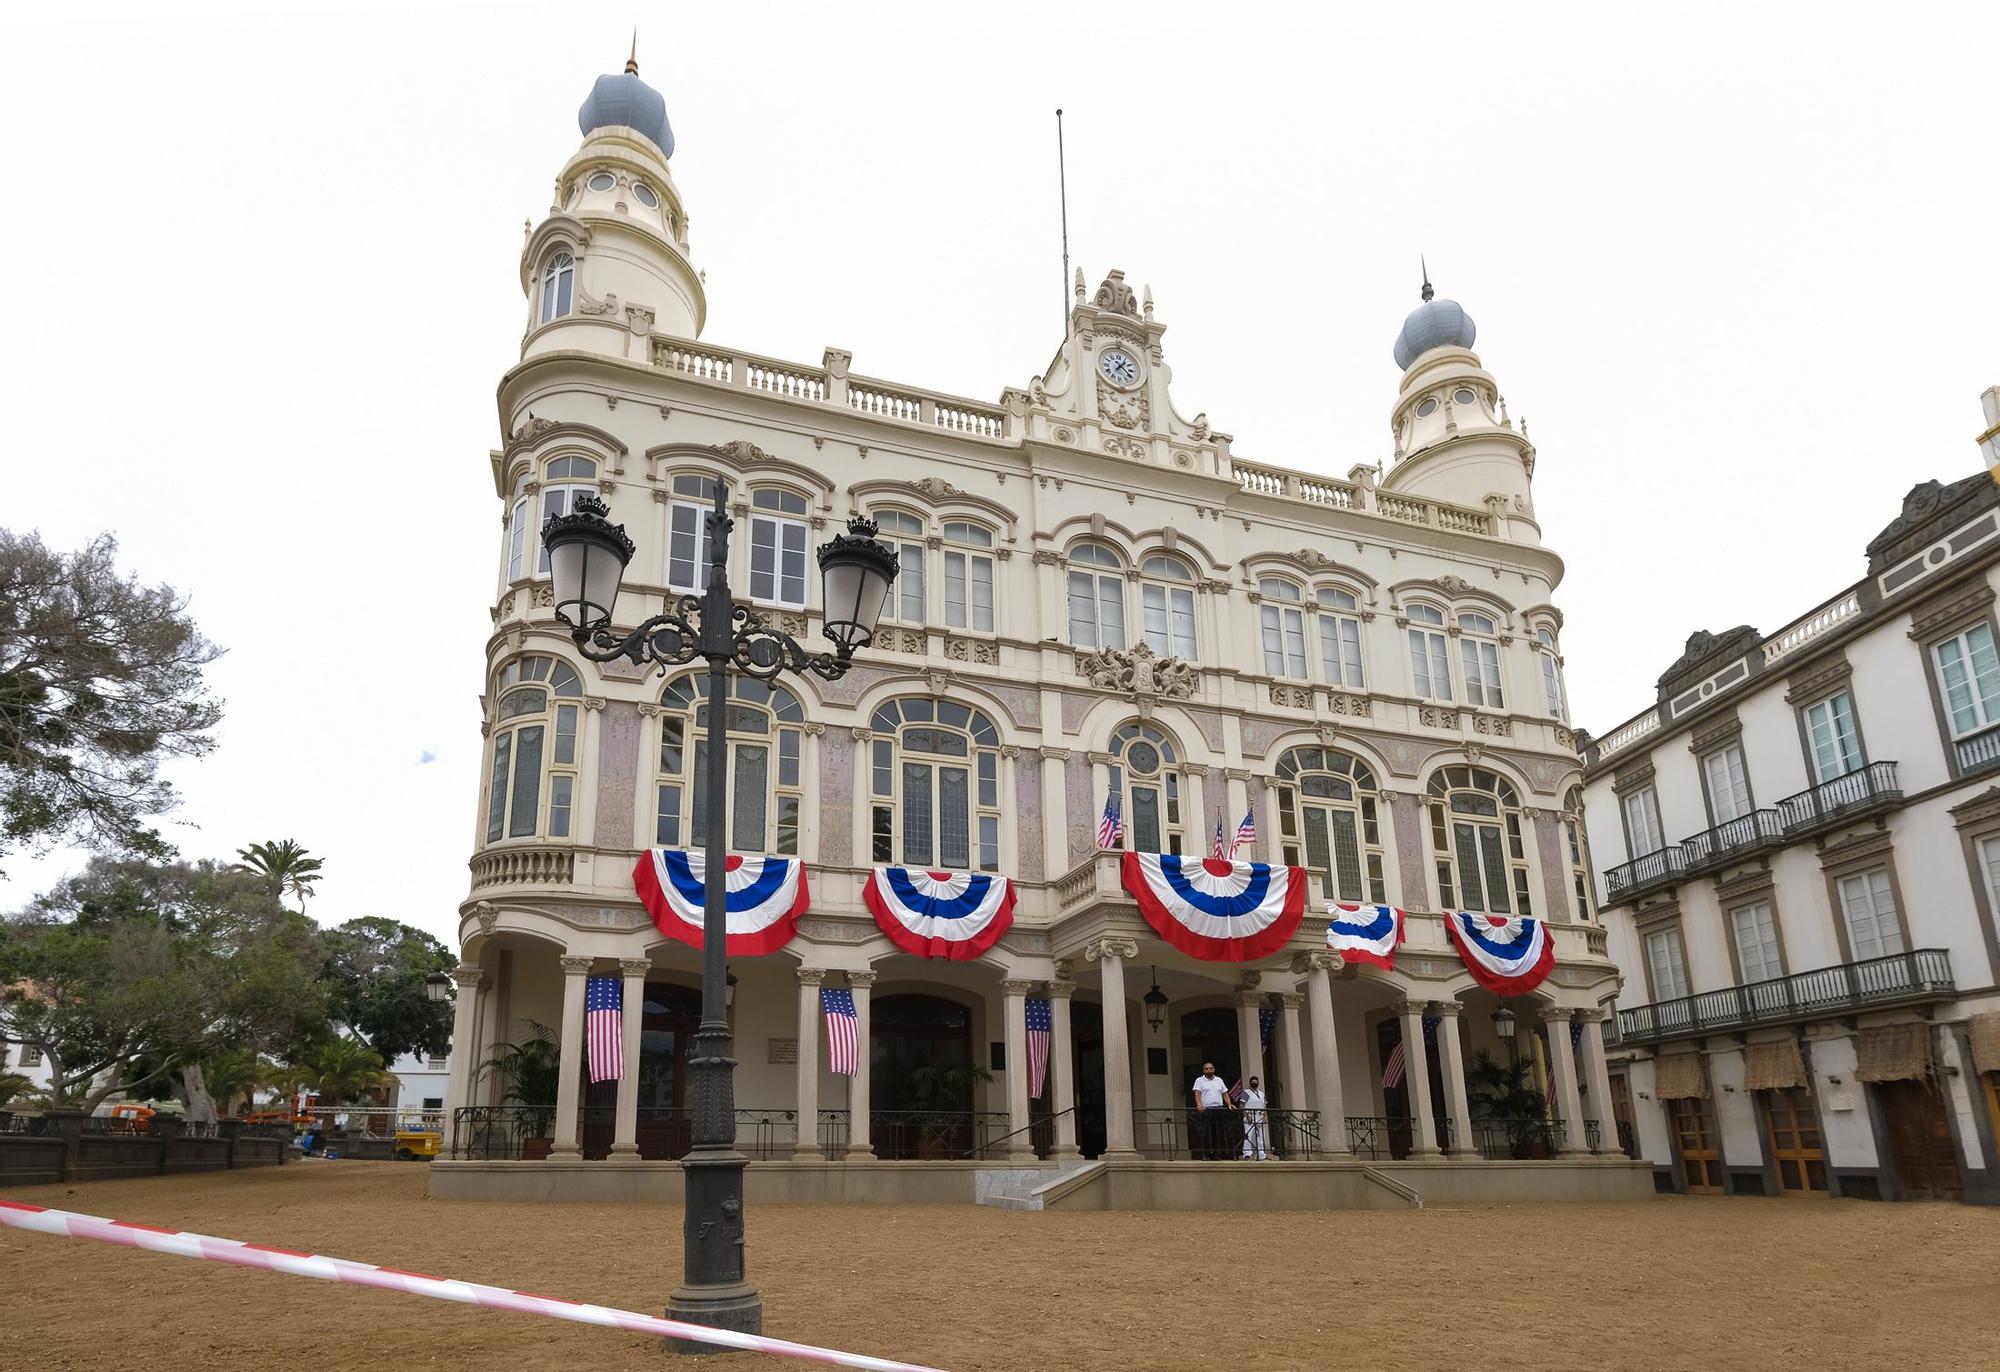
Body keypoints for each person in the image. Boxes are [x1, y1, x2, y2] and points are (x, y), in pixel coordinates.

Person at [1189, 1061, 1232, 1160]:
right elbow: (1197, 1094)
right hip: (1206, 1109)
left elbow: (1225, 1093)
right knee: (1206, 1133)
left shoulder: (1219, 1080)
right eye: (1206, 1068)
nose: (1209, 1070)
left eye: (1210, 1068)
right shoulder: (1199, 1080)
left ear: (1214, 1069)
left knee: (1217, 1132)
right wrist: (1199, 1104)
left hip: (1218, 1109)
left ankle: (1215, 1154)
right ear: (1203, 1070)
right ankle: (1205, 1154)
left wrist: (1229, 1104)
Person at [1238, 1076, 1269, 1160]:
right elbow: (1242, 1105)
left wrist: (1265, 1116)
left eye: (1256, 1082)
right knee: (1248, 1135)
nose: (1255, 1083)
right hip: (1249, 1116)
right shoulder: (1246, 1092)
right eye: (1253, 1082)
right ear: (1250, 1083)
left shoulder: (1261, 1093)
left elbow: (1264, 1105)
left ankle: (1261, 1153)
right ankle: (1247, 1153)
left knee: (1260, 1136)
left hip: (1260, 1116)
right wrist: (1246, 1115)